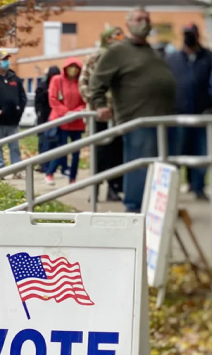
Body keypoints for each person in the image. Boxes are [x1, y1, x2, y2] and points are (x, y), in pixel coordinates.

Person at [90, 7, 177, 213]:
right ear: (128, 23)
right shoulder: (117, 51)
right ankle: (135, 209)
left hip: (163, 121)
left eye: (147, 19)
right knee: (139, 166)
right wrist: (100, 104)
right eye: (139, 19)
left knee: (161, 168)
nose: (144, 23)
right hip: (137, 120)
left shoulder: (152, 52)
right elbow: (96, 82)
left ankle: (157, 210)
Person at [166, 23, 212, 201]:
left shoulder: (209, 58)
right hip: (178, 114)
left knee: (201, 152)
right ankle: (172, 190)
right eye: (186, 33)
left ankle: (198, 187)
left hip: (202, 114)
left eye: (191, 33)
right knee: (176, 153)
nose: (189, 37)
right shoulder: (172, 59)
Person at [80, 26, 125, 201]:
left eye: (122, 36)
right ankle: (95, 188)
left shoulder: (123, 59)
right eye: (117, 36)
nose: (121, 39)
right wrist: (96, 103)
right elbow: (83, 84)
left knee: (116, 153)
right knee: (99, 153)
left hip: (118, 115)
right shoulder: (95, 58)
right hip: (98, 115)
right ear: (107, 39)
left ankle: (114, 188)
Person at [44, 57, 87, 186]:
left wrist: (76, 112)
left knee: (76, 152)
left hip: (77, 122)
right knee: (61, 149)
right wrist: (65, 112)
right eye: (70, 67)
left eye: (76, 68)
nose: (73, 70)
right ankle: (50, 173)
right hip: (61, 121)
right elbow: (53, 99)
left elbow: (85, 100)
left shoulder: (81, 82)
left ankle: (73, 178)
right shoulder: (57, 80)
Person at [34, 65, 61, 172]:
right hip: (44, 118)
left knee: (54, 142)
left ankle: (53, 164)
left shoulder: (60, 86)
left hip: (55, 117)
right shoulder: (43, 86)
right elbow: (38, 100)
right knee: (43, 142)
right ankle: (43, 164)